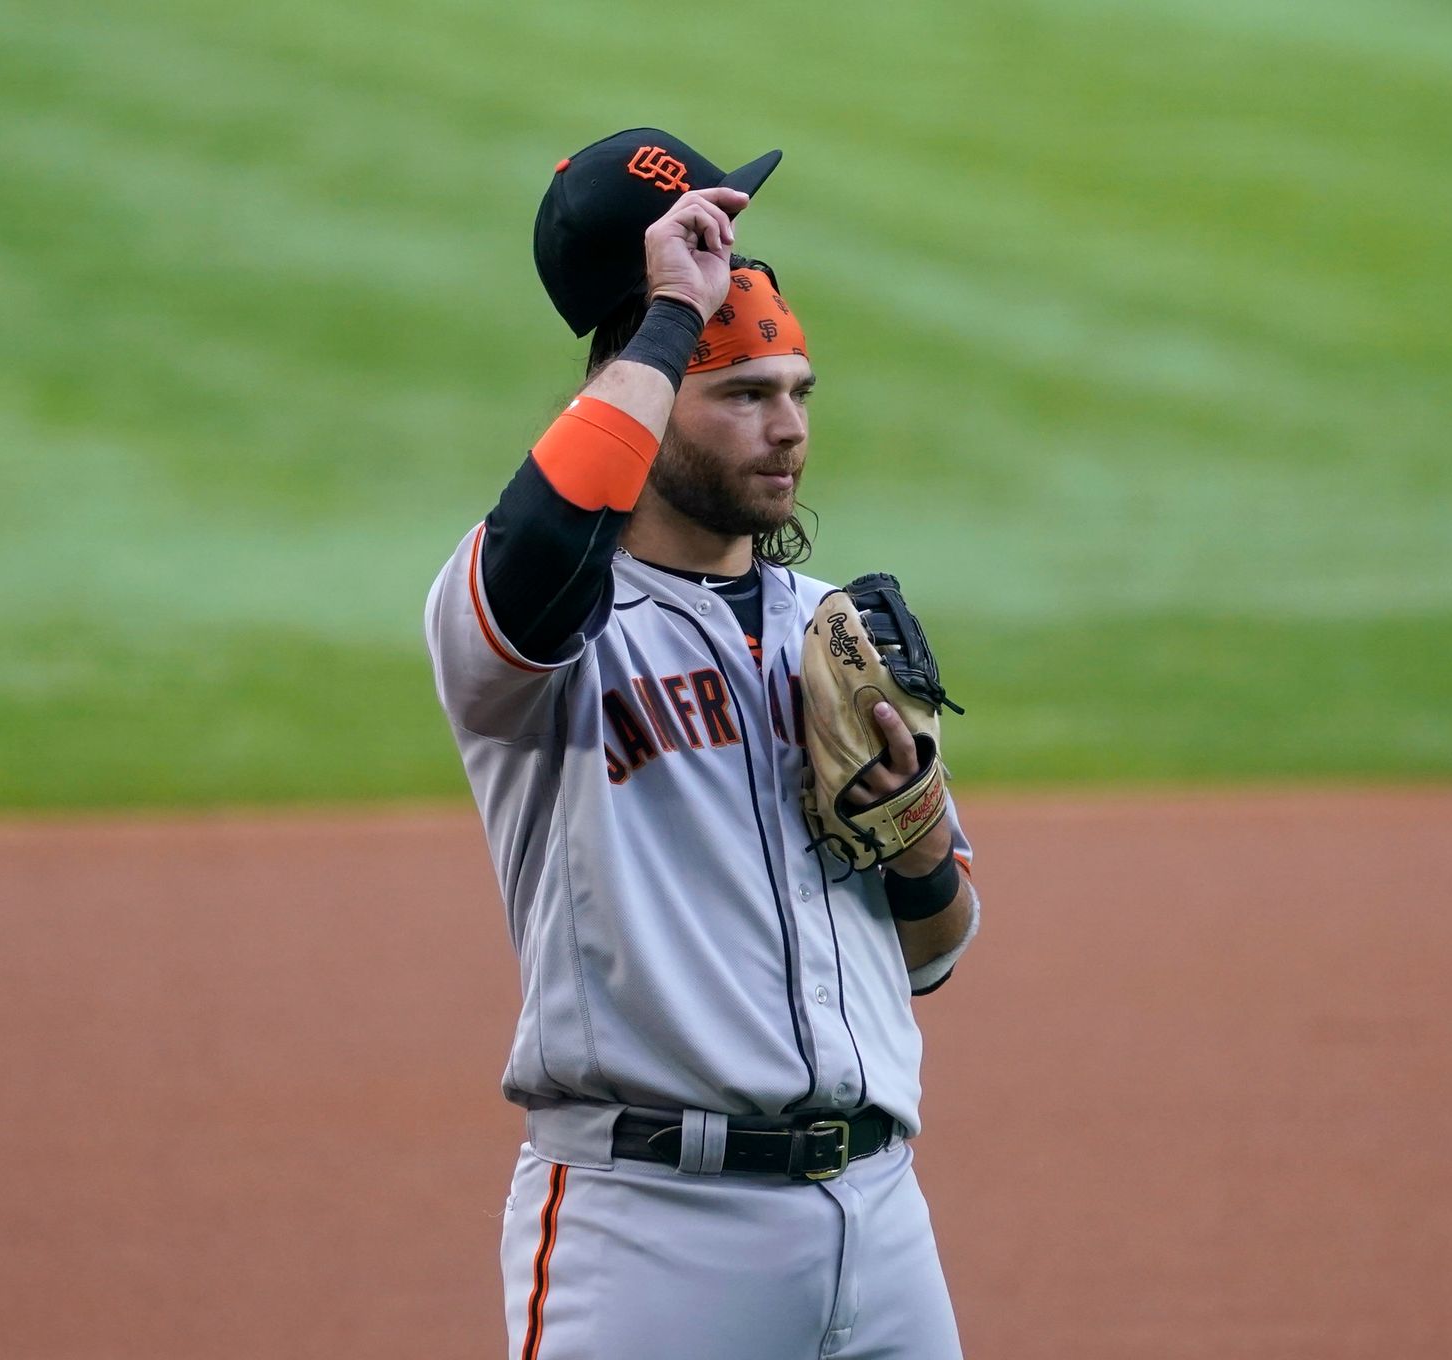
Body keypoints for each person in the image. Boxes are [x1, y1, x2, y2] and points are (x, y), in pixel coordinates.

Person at [424, 127, 980, 1359]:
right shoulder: (548, 634)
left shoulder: (829, 633)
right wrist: (672, 322)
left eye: (796, 394)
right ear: (650, 380)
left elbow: (937, 954)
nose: (786, 429)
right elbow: (542, 542)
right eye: (742, 395)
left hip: (881, 1220)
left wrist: (913, 825)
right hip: (653, 1230)